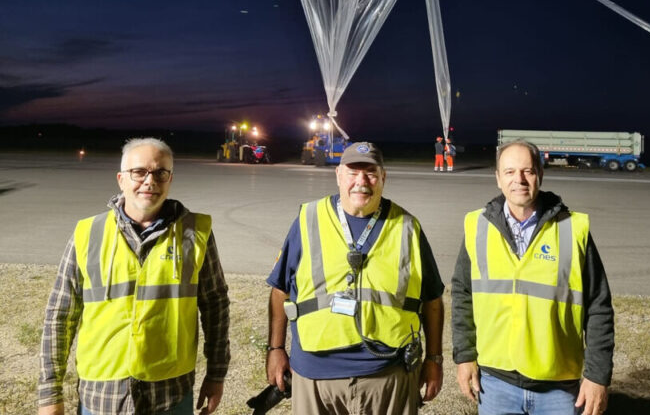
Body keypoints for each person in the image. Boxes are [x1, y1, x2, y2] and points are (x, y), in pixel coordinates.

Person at [38, 138, 231, 415]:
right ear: (121, 179)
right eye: (139, 172)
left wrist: (216, 374)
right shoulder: (87, 234)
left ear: (170, 179)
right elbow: (60, 315)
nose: (149, 181)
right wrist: (49, 393)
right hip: (101, 396)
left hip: (170, 395)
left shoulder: (195, 233)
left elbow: (216, 306)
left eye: (160, 172)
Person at [266, 142, 445, 415]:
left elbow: (432, 299)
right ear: (338, 175)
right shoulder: (308, 220)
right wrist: (276, 348)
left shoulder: (408, 227)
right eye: (352, 172)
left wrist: (433, 359)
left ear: (383, 177)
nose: (361, 181)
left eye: (371, 172)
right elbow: (280, 291)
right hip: (316, 376)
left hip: (388, 375)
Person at [452, 139, 614, 415]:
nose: (519, 180)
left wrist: (598, 376)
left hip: (559, 386)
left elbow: (599, 306)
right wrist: (465, 356)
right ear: (498, 179)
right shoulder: (477, 226)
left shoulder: (572, 229)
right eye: (510, 172)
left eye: (527, 171)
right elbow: (462, 295)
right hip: (495, 383)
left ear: (540, 173)